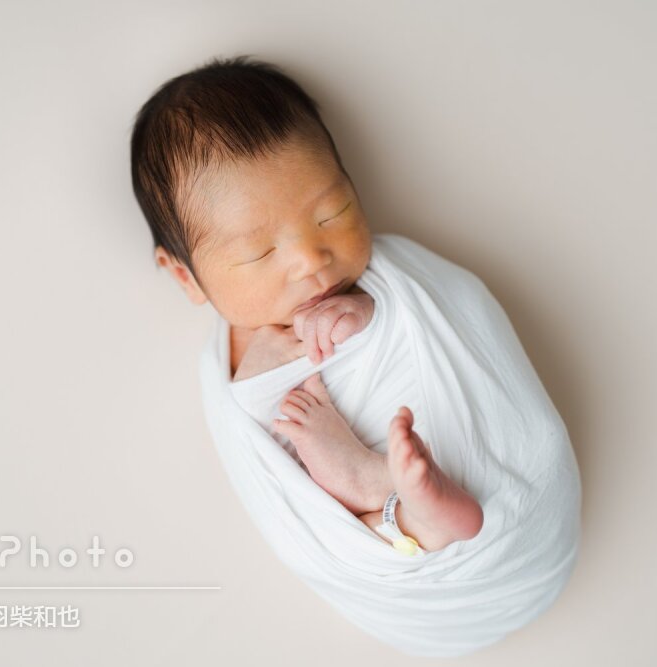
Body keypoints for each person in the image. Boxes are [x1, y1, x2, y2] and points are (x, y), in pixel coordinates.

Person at [130, 54, 484, 553]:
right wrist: (257, 383)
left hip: (434, 455)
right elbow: (275, 476)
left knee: (376, 493)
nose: (312, 260)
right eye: (259, 252)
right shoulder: (227, 359)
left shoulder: (384, 279)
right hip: (368, 519)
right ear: (185, 276)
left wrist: (368, 312)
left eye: (331, 213)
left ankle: (391, 495)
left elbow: (428, 317)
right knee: (349, 527)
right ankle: (409, 513)